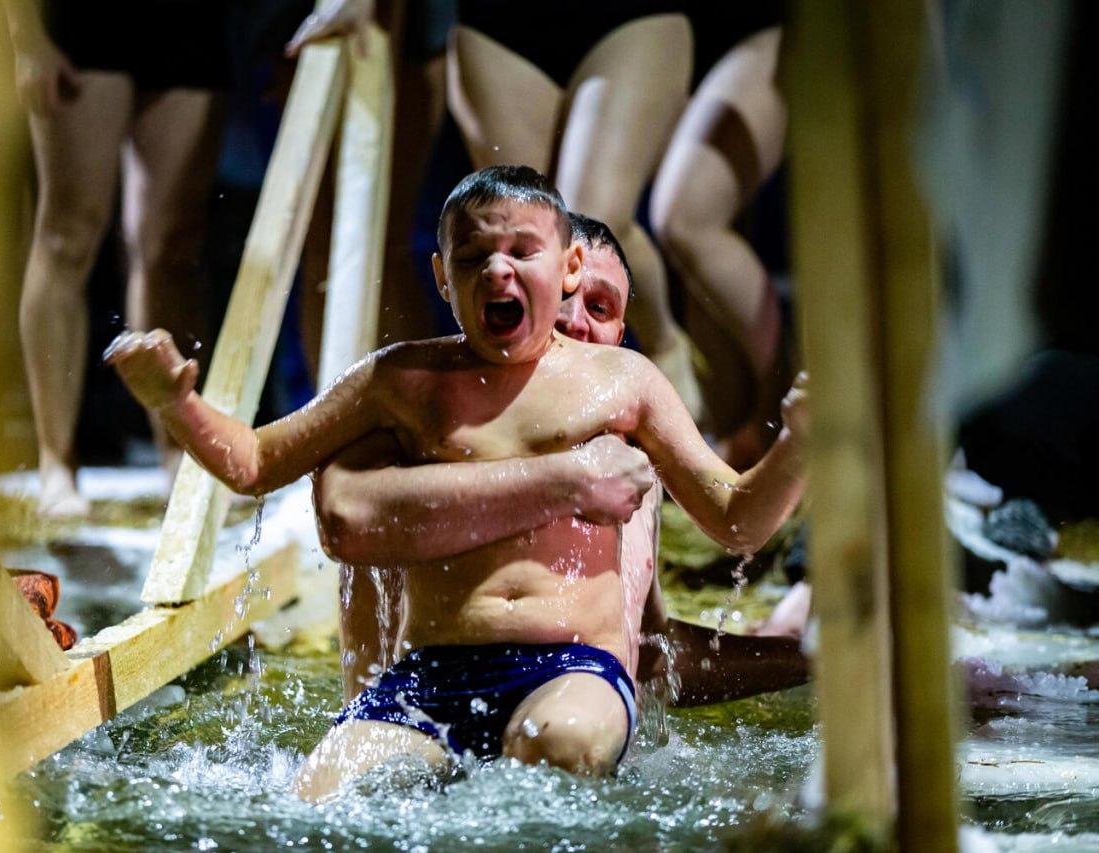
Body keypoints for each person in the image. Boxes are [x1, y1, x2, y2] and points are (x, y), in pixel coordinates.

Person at [105, 166, 807, 800]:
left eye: (522, 251)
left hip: (572, 667)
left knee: (558, 746)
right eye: (474, 258)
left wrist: (802, 443)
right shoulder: (401, 380)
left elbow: (737, 517)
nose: (498, 270)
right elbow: (258, 461)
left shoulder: (624, 382)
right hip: (429, 673)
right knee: (322, 796)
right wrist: (178, 405)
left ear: (566, 265)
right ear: (443, 278)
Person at [314, 212, 808, 707]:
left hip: (579, 721)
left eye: (600, 308)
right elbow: (341, 519)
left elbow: (650, 657)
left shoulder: (627, 465)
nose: (575, 322)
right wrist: (569, 480)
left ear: (619, 338)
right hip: (419, 722)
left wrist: (808, 660)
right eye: (562, 296)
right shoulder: (419, 423)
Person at [286, 0, 704, 418]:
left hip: (631, 19)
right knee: (528, 242)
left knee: (590, 223)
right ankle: (554, 419)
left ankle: (665, 350)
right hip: (498, 28)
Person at [4, 0, 230, 516]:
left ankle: (179, 450)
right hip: (85, 22)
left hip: (188, 20)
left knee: (172, 245)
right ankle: (56, 462)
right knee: (68, 236)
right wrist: (26, 38)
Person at [649, 7, 787, 465]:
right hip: (674, 26)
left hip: (772, 24)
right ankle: (739, 440)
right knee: (691, 266)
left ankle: (786, 414)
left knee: (686, 219)